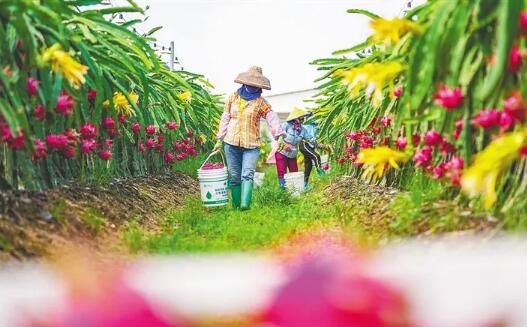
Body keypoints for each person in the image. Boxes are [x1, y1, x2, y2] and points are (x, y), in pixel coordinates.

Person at [214, 66, 284, 210]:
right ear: (244, 83)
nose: (253, 87)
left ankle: (245, 205)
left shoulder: (260, 102)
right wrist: (219, 139)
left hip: (251, 145)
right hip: (231, 142)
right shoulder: (232, 98)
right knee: (234, 176)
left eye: (256, 85)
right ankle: (236, 206)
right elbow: (225, 118)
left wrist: (279, 135)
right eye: (250, 84)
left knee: (247, 174)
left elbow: (272, 118)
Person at [275, 107, 310, 190]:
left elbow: (310, 139)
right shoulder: (286, 125)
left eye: (303, 119)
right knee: (281, 172)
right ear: (295, 118)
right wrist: (284, 145)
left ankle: (295, 190)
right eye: (301, 118)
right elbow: (278, 137)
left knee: (294, 172)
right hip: (281, 153)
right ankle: (283, 190)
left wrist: (320, 145)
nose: (302, 121)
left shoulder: (303, 130)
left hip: (292, 154)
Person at [299, 117, 329, 189]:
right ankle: (321, 174)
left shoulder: (318, 127)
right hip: (304, 144)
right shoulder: (307, 125)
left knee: (308, 166)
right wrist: (318, 145)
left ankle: (304, 185)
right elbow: (309, 138)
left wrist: (319, 145)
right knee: (316, 156)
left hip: (311, 146)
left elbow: (314, 138)